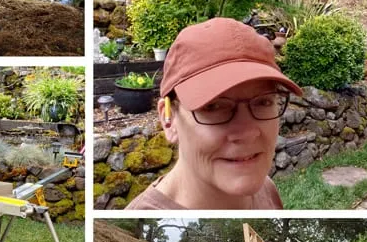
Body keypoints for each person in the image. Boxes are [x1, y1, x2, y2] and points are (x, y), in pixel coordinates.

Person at [125, 17, 303, 210]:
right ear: (169, 120)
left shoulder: (265, 190)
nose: (247, 133)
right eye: (213, 107)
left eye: (263, 102)